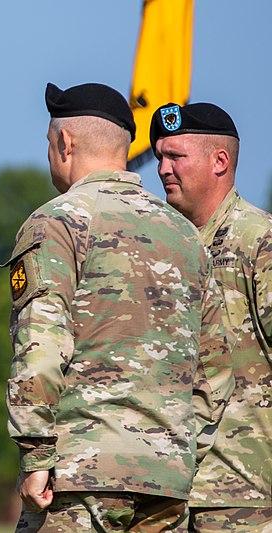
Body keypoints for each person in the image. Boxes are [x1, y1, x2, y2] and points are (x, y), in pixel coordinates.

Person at [5, 83, 235, 532]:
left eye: (49, 144)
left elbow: (40, 346)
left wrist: (35, 455)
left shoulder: (57, 220)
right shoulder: (185, 234)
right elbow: (215, 369)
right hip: (165, 481)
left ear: (64, 143)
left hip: (77, 477)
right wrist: (176, 454)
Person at [151, 102, 272, 531]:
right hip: (168, 495)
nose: (164, 168)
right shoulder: (166, 247)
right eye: (160, 156)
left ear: (220, 160)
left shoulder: (259, 241)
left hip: (244, 497)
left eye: (176, 156)